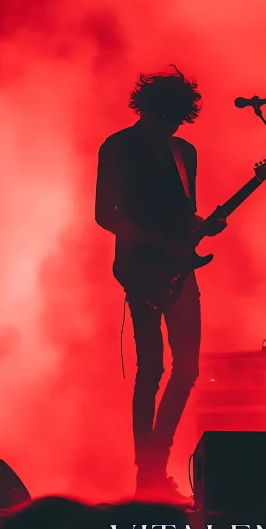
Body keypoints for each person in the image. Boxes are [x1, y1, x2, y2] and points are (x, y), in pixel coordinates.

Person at [95, 67, 226, 502]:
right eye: (167, 115)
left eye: (178, 117)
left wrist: (203, 225)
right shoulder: (118, 147)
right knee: (151, 369)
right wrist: (154, 243)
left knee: (186, 369)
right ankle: (144, 474)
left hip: (181, 268)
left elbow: (185, 213)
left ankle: (155, 464)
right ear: (148, 108)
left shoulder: (184, 151)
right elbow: (104, 214)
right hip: (140, 268)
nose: (173, 124)